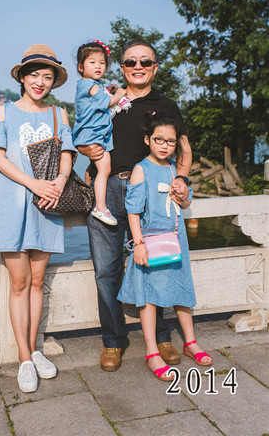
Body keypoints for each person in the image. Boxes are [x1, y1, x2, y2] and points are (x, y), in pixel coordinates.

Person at [77, 41, 192, 372]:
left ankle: (162, 337)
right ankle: (114, 340)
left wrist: (181, 180)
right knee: (106, 271)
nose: (137, 66)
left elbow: (183, 149)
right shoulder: (106, 100)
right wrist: (86, 151)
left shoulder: (166, 105)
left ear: (155, 67)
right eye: (130, 62)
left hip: (152, 193)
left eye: (145, 61)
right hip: (108, 190)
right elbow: (82, 134)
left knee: (158, 264)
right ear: (122, 67)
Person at [0, 44, 75, 393]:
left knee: (38, 282)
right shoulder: (2, 113)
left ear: (54, 82)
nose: (40, 82)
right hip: (11, 204)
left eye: (47, 76)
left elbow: (67, 155)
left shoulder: (58, 114)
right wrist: (34, 183)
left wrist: (59, 183)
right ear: (22, 77)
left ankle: (35, 350)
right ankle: (25, 357)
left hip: (47, 206)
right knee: (19, 284)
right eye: (34, 75)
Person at [118, 111, 212, 381]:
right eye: (158, 139)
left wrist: (182, 194)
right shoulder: (140, 169)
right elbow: (132, 211)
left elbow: (185, 204)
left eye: (170, 142)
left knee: (182, 289)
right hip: (149, 241)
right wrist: (138, 244)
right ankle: (151, 351)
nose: (164, 145)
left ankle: (190, 342)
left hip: (175, 238)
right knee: (148, 297)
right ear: (148, 139)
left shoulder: (175, 169)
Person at [72, 40, 129, 226]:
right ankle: (100, 207)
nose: (98, 66)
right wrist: (120, 94)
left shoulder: (90, 84)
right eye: (92, 62)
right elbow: (106, 102)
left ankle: (94, 201)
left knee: (99, 168)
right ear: (81, 67)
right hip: (93, 133)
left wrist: (109, 91)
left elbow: (100, 97)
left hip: (94, 133)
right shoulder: (89, 84)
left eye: (102, 63)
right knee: (104, 169)